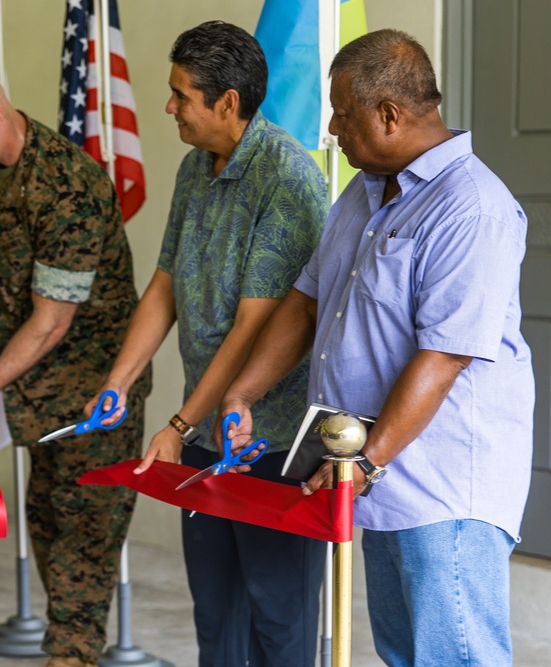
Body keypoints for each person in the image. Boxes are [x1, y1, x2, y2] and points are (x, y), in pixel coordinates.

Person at [222, 29, 533, 667]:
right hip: (377, 475)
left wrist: (367, 462)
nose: (333, 128)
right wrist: (242, 392)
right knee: (401, 651)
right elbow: (306, 303)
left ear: (388, 115)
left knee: (454, 656)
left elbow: (444, 357)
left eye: (342, 112)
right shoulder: (363, 194)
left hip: (442, 484)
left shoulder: (470, 209)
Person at [87, 21, 328, 667]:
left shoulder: (289, 178)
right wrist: (119, 379)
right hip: (204, 433)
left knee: (278, 613)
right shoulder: (196, 167)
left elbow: (254, 328)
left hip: (272, 436)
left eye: (181, 94)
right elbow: (164, 284)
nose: (169, 107)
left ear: (227, 102)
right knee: (215, 611)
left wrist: (176, 420)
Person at [0, 52, 151, 667]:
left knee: (85, 533)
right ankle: (67, 650)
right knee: (45, 521)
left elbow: (51, 322)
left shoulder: (66, 183)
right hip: (33, 389)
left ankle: (72, 656)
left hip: (94, 387)